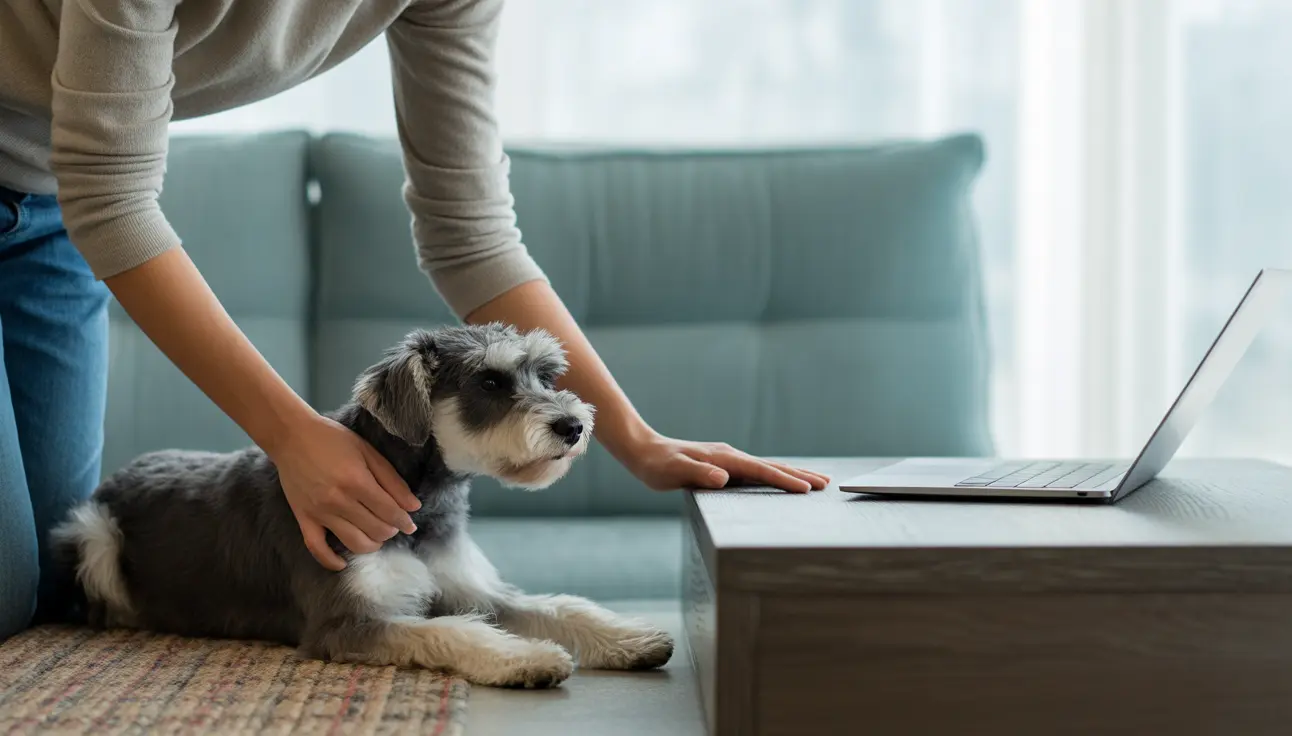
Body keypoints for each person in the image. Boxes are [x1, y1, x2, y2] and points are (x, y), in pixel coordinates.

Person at [0, 0, 829, 640]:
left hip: (48, 209)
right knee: (12, 590)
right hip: (83, 195)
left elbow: (472, 236)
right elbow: (111, 196)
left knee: (47, 594)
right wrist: (293, 437)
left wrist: (636, 440)